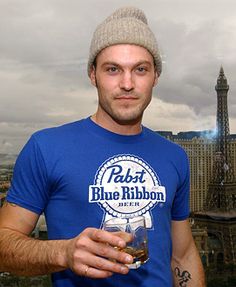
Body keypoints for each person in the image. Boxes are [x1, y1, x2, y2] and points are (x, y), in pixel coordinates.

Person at [0, 6, 205, 287]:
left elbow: (182, 255)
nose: (127, 83)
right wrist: (63, 252)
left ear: (155, 76)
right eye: (112, 69)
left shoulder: (175, 156)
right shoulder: (45, 147)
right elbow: (4, 244)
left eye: (140, 69)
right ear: (93, 75)